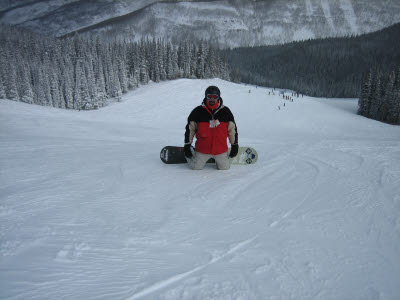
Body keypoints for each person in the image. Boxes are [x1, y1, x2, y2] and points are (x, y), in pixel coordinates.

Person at [184, 86, 238, 170]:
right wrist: (187, 144)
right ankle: (192, 151)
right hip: (202, 150)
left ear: (218, 97)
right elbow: (190, 130)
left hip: (220, 150)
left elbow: (232, 130)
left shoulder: (226, 112)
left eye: (215, 97)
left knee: (225, 168)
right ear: (206, 96)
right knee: (195, 167)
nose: (212, 99)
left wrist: (234, 145)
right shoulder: (197, 111)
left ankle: (222, 158)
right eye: (209, 96)